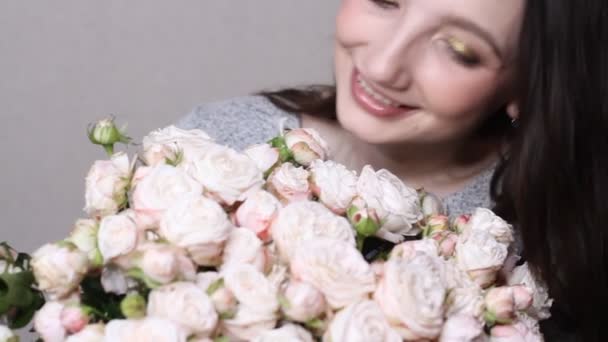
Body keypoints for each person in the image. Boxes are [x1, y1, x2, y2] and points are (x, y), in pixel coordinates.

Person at [178, 0, 608, 340]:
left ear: (526, 84)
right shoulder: (217, 145)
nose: (384, 65)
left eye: (459, 50)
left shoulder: (538, 254)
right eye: (384, 0)